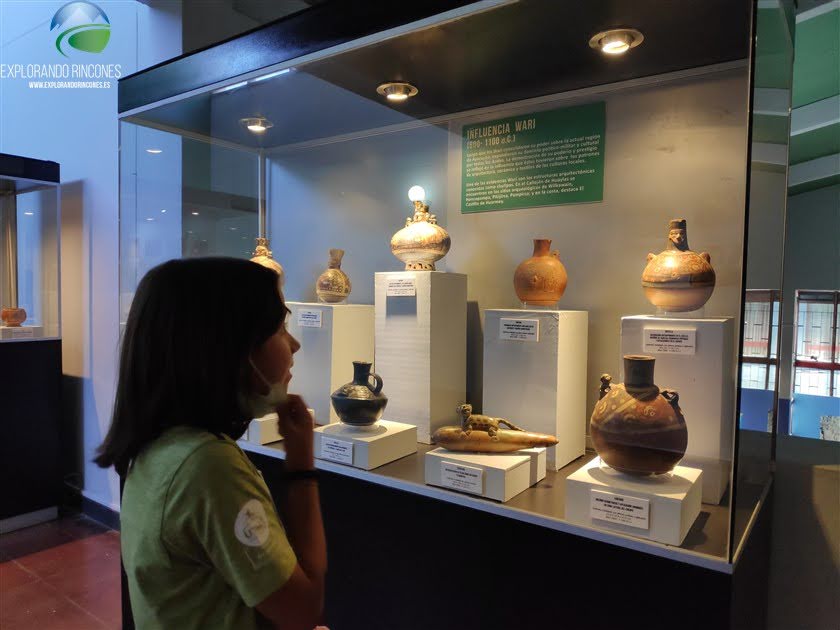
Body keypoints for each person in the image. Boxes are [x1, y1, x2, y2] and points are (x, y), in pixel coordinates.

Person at [95, 257, 327, 630]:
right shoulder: (209, 466)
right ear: (231, 345)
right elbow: (302, 608)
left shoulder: (160, 444)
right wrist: (302, 467)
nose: (294, 344)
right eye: (280, 329)